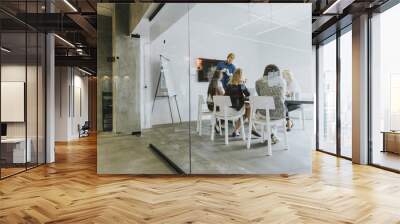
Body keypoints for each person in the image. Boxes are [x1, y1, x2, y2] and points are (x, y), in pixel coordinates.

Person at [255, 64, 286, 144]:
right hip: (279, 114)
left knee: (267, 111)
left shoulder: (258, 82)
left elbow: (260, 95)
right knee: (275, 109)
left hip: (263, 113)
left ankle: (270, 135)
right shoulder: (282, 81)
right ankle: (272, 135)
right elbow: (282, 98)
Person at [225, 68, 260, 137]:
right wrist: (243, 84)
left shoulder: (228, 85)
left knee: (246, 112)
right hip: (235, 110)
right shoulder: (241, 85)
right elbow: (248, 94)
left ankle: (236, 131)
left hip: (227, 110)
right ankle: (253, 129)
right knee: (249, 108)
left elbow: (229, 97)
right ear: (241, 76)